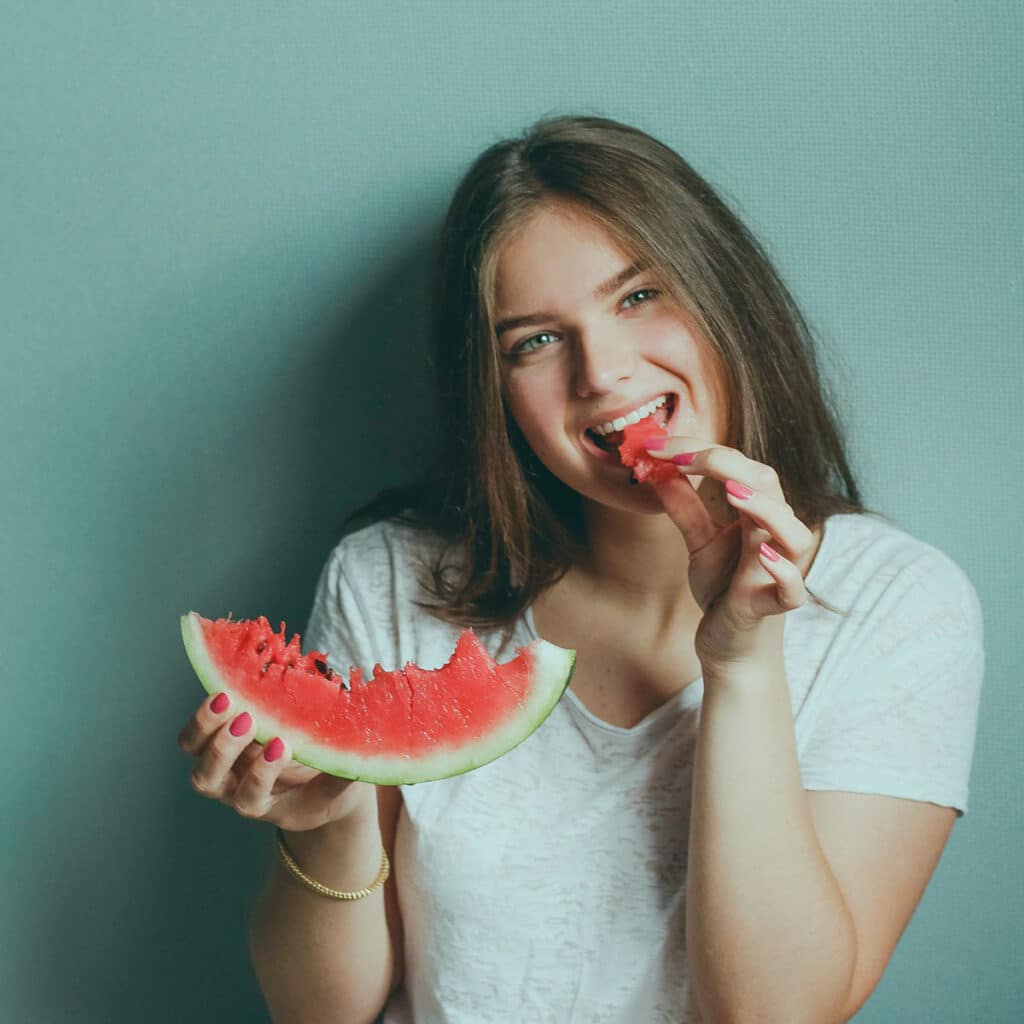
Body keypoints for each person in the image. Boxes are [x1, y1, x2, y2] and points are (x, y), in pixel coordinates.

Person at [177, 115, 985, 1023]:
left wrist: (744, 664)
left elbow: (774, 1014)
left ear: (726, 297)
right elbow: (321, 1013)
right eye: (535, 341)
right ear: (492, 388)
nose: (602, 372)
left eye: (639, 297)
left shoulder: (899, 604)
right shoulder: (388, 579)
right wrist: (324, 825)